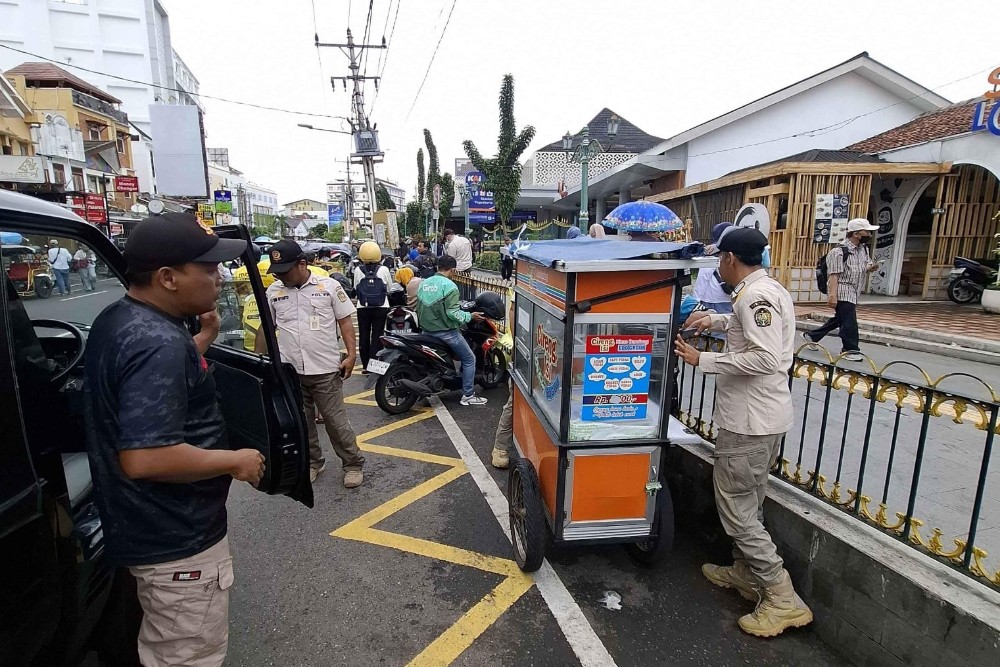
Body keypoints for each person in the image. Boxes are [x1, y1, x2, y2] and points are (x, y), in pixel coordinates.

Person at [83, 212, 259, 666]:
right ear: (167, 277)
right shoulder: (158, 342)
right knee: (185, 657)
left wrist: (203, 339)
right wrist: (233, 460)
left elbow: (149, 386)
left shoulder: (122, 319)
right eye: (208, 268)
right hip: (176, 540)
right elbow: (145, 458)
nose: (219, 278)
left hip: (140, 526)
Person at [674, 227, 812, 638]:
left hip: (749, 423)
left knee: (736, 509)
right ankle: (745, 572)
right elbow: (747, 327)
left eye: (720, 258)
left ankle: (781, 596)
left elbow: (766, 357)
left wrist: (706, 361)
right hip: (761, 420)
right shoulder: (759, 290)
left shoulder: (755, 295)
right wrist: (713, 319)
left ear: (732, 258)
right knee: (747, 502)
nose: (718, 265)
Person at [257, 239, 365, 487]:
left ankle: (352, 464)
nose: (281, 277)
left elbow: (345, 322)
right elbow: (267, 328)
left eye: (285, 271)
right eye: (278, 272)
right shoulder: (274, 292)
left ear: (302, 264)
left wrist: (351, 355)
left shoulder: (329, 287)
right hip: (290, 371)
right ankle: (314, 462)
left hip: (325, 370)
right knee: (301, 424)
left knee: (336, 423)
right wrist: (260, 362)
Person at [802, 218, 880, 362]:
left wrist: (871, 268)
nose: (869, 234)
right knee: (849, 320)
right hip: (842, 290)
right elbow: (834, 275)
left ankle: (813, 335)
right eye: (866, 231)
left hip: (855, 290)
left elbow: (864, 265)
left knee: (841, 318)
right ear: (856, 234)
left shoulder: (864, 249)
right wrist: (832, 295)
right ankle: (850, 349)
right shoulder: (839, 252)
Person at [416, 254, 487, 406]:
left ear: (437, 267)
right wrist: (470, 316)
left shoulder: (424, 283)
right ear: (453, 270)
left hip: (426, 332)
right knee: (469, 359)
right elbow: (453, 313)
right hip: (445, 332)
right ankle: (468, 395)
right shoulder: (450, 286)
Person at [353, 241, 392, 372]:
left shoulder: (358, 270)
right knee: (377, 336)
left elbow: (355, 288)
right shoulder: (384, 269)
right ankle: (374, 366)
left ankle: (365, 366)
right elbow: (389, 288)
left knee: (364, 336)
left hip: (362, 307)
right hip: (381, 307)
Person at [691, 222, 735, 315]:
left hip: (711, 298)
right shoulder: (735, 254)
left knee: (711, 324)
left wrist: (696, 300)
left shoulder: (710, 253)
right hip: (729, 298)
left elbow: (703, 278)